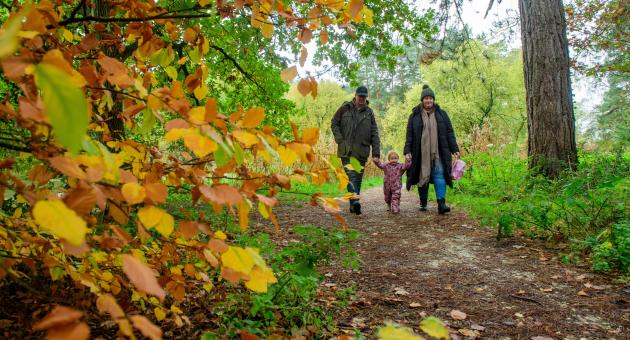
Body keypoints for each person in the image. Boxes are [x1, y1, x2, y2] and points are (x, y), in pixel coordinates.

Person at [404, 85, 460, 214]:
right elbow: (409, 135)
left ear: (433, 100)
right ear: (422, 100)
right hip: (420, 153)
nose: (428, 101)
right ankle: (423, 202)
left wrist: (454, 149)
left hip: (438, 152)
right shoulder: (414, 116)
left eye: (430, 98)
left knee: (439, 174)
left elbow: (450, 133)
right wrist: (407, 151)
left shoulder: (442, 114)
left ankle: (441, 203)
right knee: (422, 176)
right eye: (426, 98)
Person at [331, 86, 381, 215]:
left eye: (364, 97)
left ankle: (353, 205)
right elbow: (334, 123)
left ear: (366, 98)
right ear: (355, 95)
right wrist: (340, 140)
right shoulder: (345, 108)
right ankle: (355, 202)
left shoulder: (369, 113)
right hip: (346, 150)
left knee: (357, 178)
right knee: (351, 176)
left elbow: (374, 133)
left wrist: (376, 153)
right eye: (360, 96)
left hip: (362, 151)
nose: (361, 99)